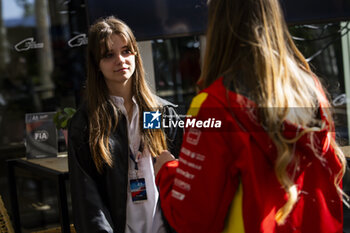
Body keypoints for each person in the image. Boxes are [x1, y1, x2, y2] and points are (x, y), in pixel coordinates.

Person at [155, 0, 349, 232]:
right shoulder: (311, 88)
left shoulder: (213, 104)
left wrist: (166, 170)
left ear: (218, 25)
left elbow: (192, 219)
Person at [68, 16, 182, 233]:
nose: (120, 60)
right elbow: (88, 203)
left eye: (126, 51)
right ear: (96, 65)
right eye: (109, 55)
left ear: (136, 54)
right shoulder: (86, 124)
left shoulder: (160, 112)